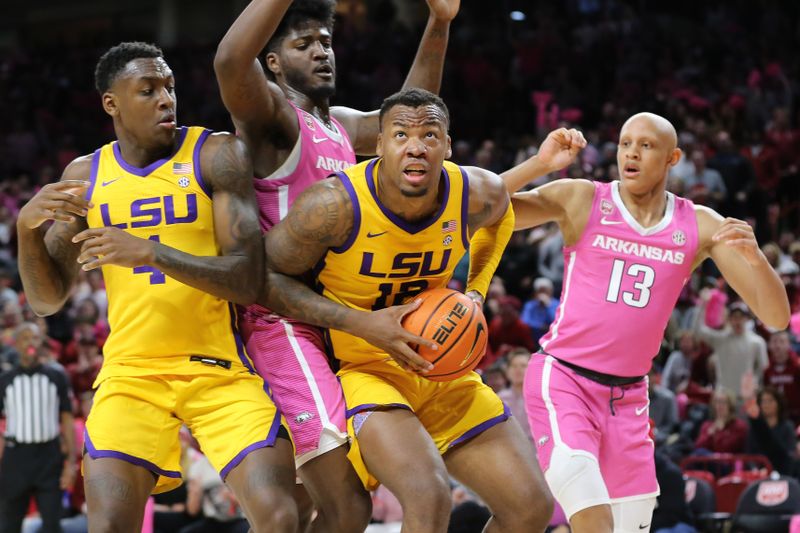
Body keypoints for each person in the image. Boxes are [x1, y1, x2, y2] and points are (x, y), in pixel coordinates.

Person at [261, 89, 586, 532]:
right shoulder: (332, 205)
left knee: (530, 507)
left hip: (443, 370)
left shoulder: (475, 190)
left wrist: (476, 290)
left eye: (430, 135)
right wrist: (361, 323)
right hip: (366, 370)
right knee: (428, 498)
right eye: (400, 134)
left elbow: (502, 214)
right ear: (378, 145)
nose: (416, 145)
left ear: (447, 146)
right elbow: (264, 279)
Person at [15, 42, 297, 532]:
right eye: (148, 90)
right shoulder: (84, 178)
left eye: (169, 87)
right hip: (131, 373)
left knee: (280, 517)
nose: (166, 99)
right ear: (111, 103)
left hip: (219, 368)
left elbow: (246, 280)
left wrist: (150, 252)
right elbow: (45, 301)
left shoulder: (217, 154)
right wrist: (26, 230)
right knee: (109, 525)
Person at [213, 2, 458, 530]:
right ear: (273, 63)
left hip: (333, 318)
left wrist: (439, 22)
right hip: (281, 320)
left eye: (325, 41)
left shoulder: (341, 124)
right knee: (348, 506)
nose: (322, 51)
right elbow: (232, 61)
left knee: (308, 507)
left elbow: (408, 115)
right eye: (304, 45)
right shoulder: (276, 118)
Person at [506, 112, 790, 532]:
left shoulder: (699, 225)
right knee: (593, 519)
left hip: (629, 398)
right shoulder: (583, 198)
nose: (631, 154)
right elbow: (478, 207)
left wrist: (757, 258)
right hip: (564, 380)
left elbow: (776, 317)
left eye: (645, 145)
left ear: (673, 157)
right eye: (624, 143)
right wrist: (539, 166)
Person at [0, 322, 75, 533]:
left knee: (52, 525)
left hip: (49, 457)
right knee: (8, 524)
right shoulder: (5, 380)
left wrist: (70, 463)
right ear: (16, 345)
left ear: (41, 343)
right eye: (25, 338)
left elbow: (67, 419)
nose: (30, 343)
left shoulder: (56, 376)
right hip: (16, 458)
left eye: (34, 338)